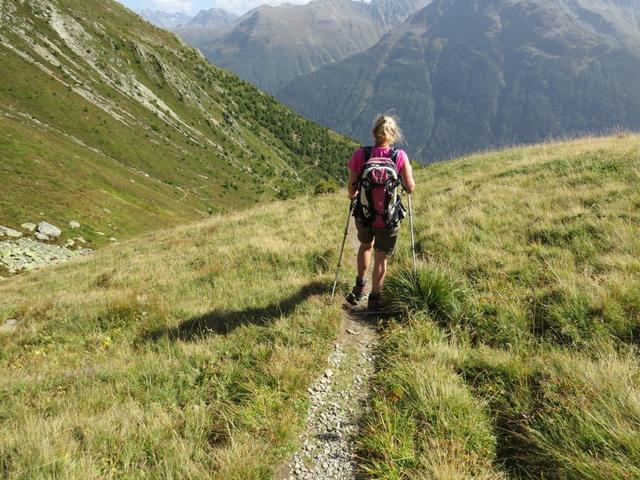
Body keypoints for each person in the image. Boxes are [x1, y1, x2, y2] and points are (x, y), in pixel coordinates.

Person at [346, 115, 416, 312]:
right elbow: (410, 188)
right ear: (393, 135)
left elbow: (351, 192)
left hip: (365, 216)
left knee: (365, 246)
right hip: (389, 218)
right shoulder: (399, 156)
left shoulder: (361, 155)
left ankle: (360, 286)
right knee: (381, 257)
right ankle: (375, 299)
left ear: (374, 133)